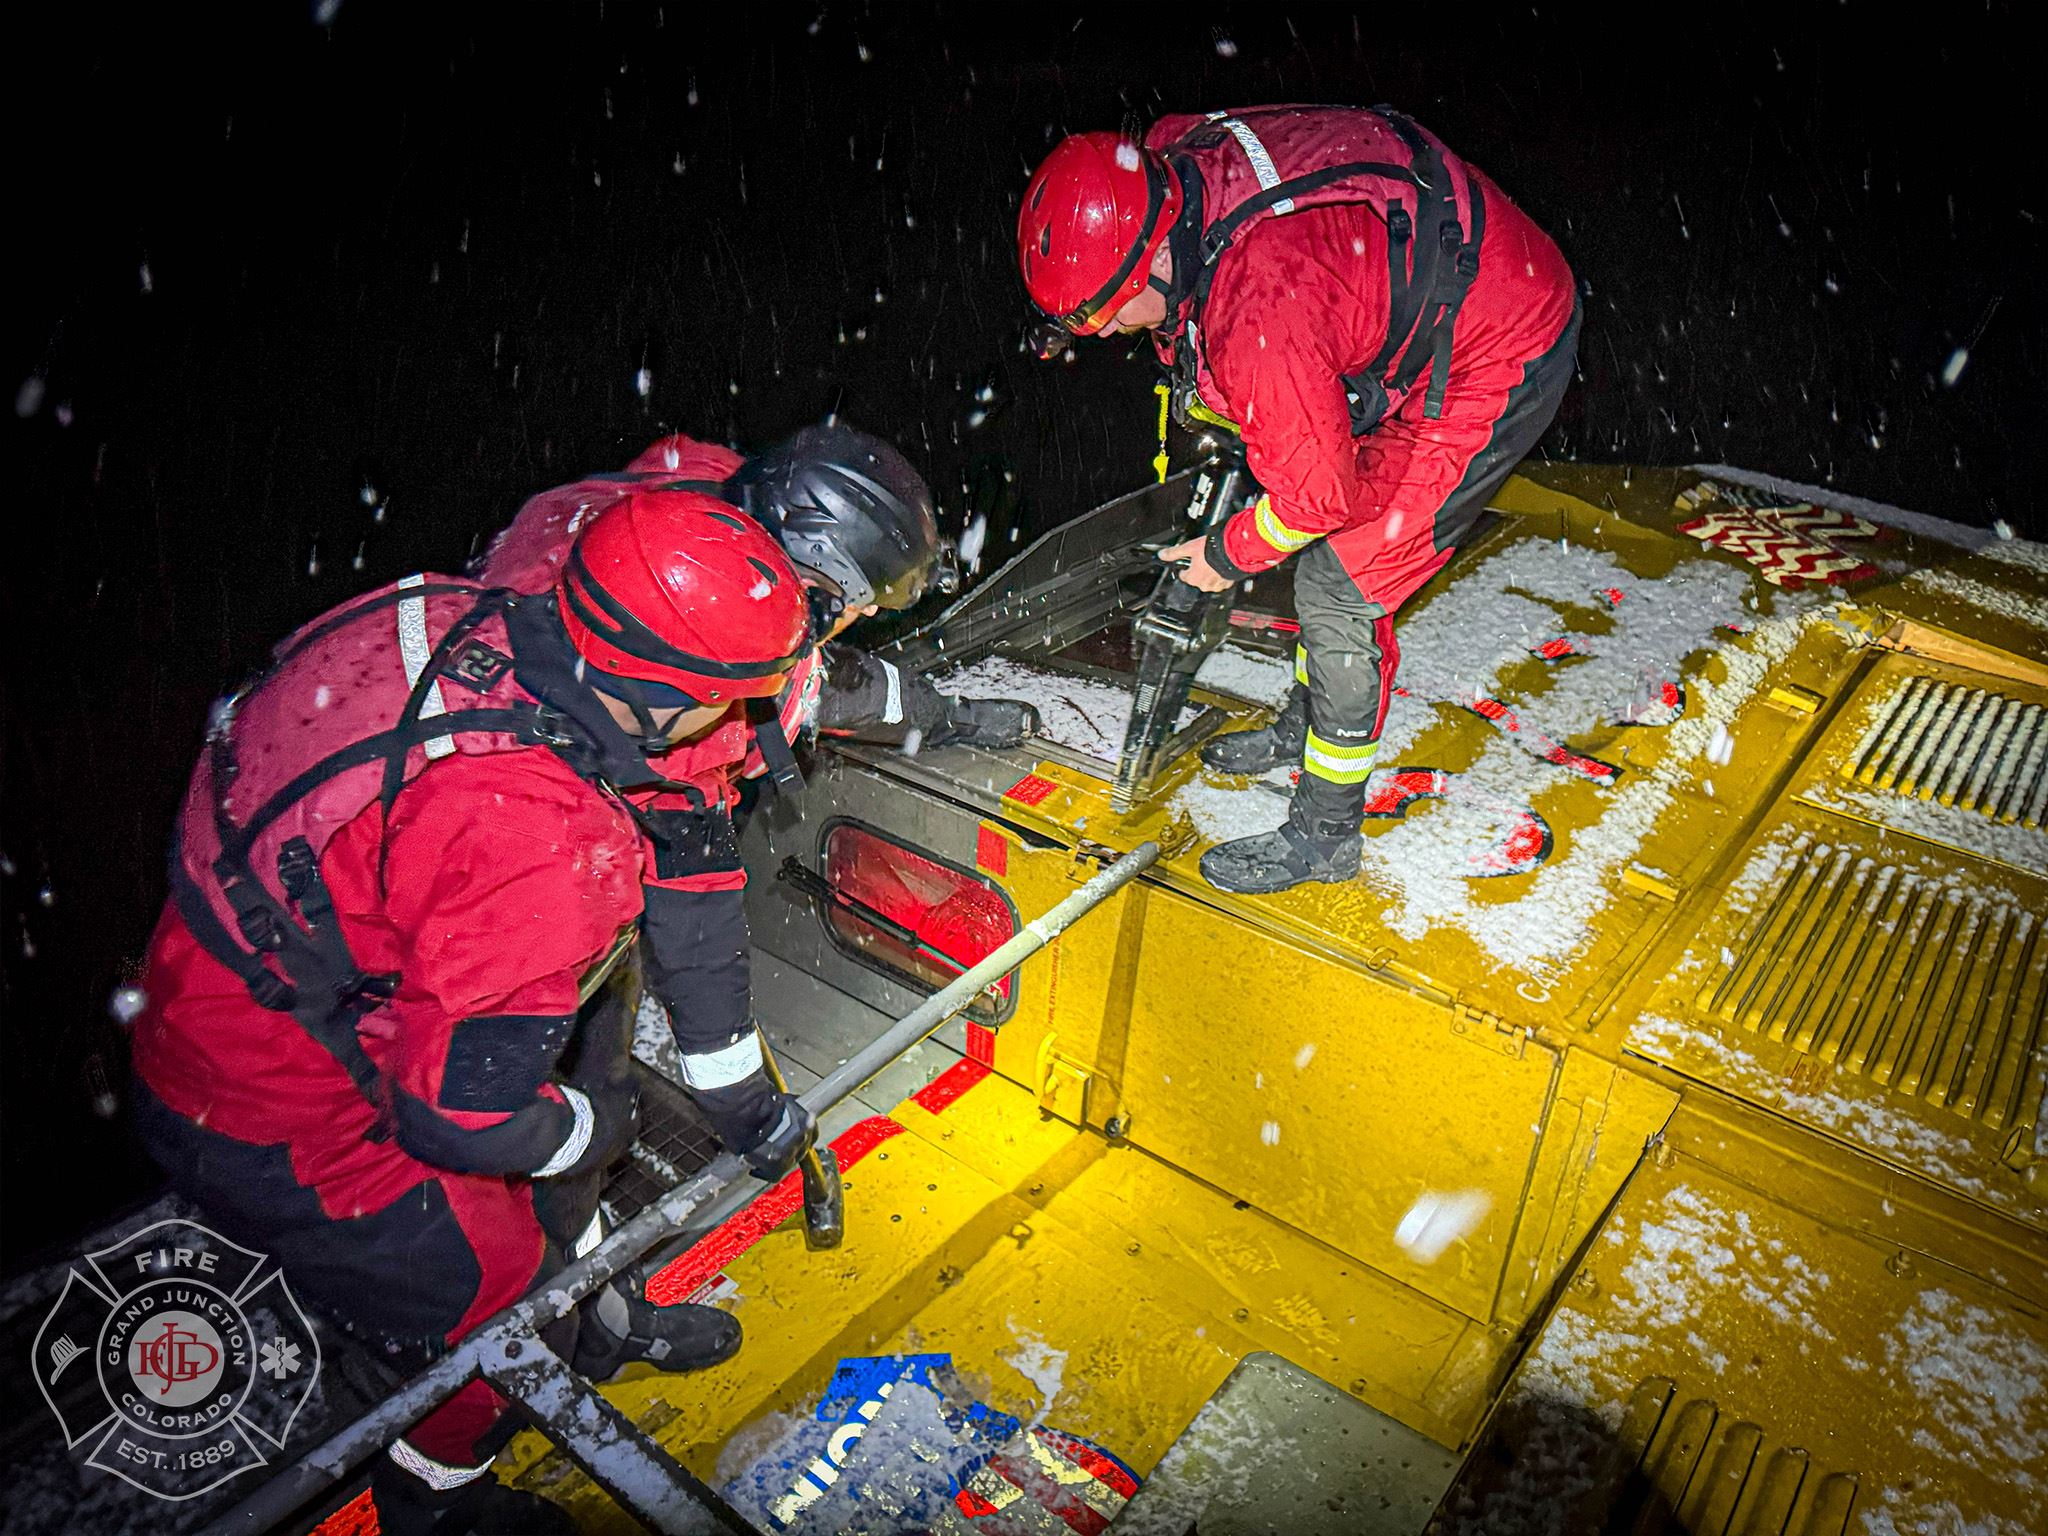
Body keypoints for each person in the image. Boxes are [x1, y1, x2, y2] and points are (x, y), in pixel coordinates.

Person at [131, 491, 819, 1534]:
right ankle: (434, 1504)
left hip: (243, 974)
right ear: (657, 689)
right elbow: (460, 1117)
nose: (738, 725)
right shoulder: (541, 839)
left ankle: (597, 1338)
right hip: (269, 1090)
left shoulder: (474, 616)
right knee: (494, 1295)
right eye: (730, 701)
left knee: (549, 1200)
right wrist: (596, 1127)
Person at [1019, 104, 1580, 893]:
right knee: (1310, 516)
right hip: (1425, 277)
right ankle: (1305, 725)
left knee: (1339, 585)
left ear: (1147, 264)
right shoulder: (1170, 163)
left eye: (1096, 315)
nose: (1098, 335)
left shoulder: (1259, 309)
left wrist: (1223, 555)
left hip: (1499, 340)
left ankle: (1325, 836)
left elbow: (1317, 496)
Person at [476, 422, 1038, 764]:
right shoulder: (690, 644)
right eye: (851, 598)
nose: (863, 614)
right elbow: (845, 694)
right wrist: (956, 718)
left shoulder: (705, 487)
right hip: (536, 758)